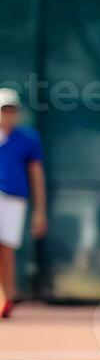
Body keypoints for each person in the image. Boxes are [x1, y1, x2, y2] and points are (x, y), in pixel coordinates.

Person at [0, 88, 46, 319]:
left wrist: (40, 211)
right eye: (4, 110)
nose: (8, 114)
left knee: (6, 251)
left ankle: (8, 299)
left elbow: (36, 175)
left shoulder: (28, 138)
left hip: (15, 200)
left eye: (11, 110)